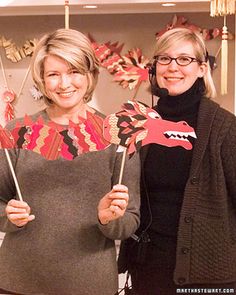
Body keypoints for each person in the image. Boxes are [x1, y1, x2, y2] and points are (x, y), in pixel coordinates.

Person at [0, 28, 140, 295]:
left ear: (90, 75)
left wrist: (108, 219)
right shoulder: (16, 132)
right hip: (18, 282)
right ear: (41, 80)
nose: (64, 84)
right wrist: (6, 215)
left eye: (75, 71)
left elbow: (129, 220)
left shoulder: (119, 136)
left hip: (91, 285)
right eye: (53, 74)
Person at [118, 27, 236, 295]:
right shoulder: (140, 123)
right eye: (165, 59)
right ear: (154, 68)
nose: (173, 67)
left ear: (202, 69)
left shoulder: (224, 127)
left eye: (184, 59)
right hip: (148, 267)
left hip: (208, 274)